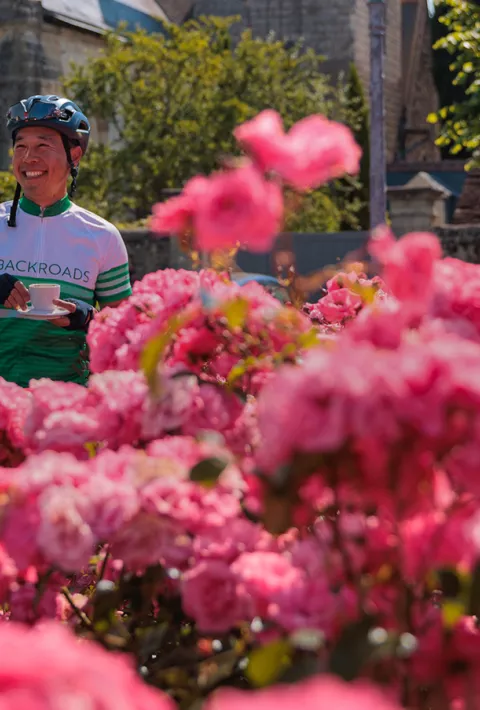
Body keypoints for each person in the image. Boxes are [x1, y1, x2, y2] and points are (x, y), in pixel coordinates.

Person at [0, 95, 132, 387]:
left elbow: (127, 333)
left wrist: (86, 318)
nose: (27, 157)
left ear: (74, 155)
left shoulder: (103, 237)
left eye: (42, 146)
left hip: (65, 409)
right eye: (20, 146)